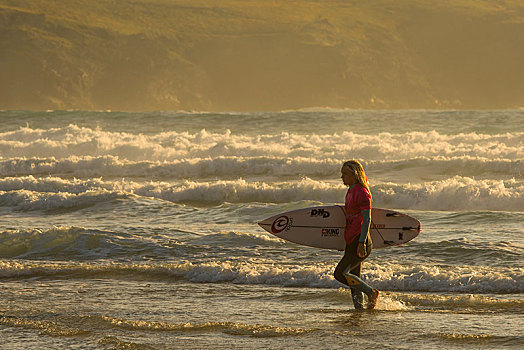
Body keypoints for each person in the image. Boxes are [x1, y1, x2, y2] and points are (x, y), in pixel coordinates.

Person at [334, 160, 379, 309]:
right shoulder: (351, 190)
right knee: (354, 279)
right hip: (352, 240)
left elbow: (367, 219)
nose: (342, 177)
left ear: (354, 175)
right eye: (342, 174)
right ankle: (359, 310)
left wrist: (361, 242)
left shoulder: (362, 192)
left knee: (340, 274)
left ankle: (371, 292)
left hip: (360, 241)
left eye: (345, 174)